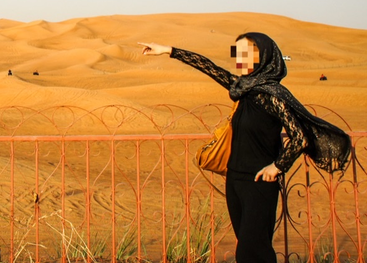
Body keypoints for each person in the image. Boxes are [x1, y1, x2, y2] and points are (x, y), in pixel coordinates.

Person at [139, 33, 351, 263]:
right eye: (237, 53)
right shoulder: (242, 88)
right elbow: (209, 67)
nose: (239, 59)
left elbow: (300, 137)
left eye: (245, 54)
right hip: (235, 180)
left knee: (251, 251)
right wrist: (168, 50)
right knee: (251, 248)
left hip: (259, 183)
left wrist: (277, 167)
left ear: (263, 57)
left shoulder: (273, 95)